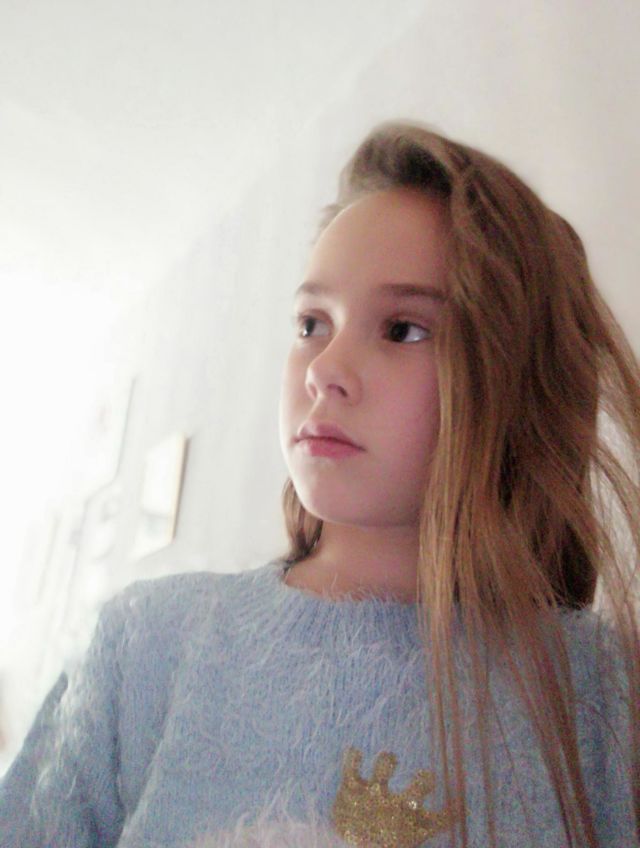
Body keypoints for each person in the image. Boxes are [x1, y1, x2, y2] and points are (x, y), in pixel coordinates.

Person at [0, 120, 638, 848]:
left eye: (402, 330)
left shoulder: (604, 696)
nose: (323, 369)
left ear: (514, 378)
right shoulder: (143, 644)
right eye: (311, 323)